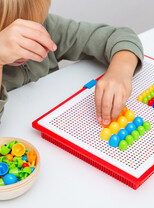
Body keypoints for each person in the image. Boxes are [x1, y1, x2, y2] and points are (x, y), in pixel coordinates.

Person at [0, 0, 144, 125]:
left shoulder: (47, 26)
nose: (25, 42)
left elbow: (120, 35)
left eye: (34, 24)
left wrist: (120, 72)